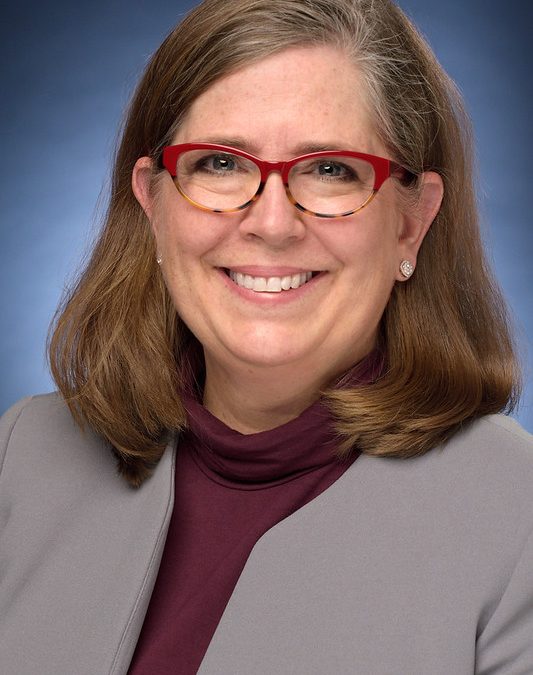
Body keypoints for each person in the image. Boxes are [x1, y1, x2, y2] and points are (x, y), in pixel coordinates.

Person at [1, 0, 532, 673]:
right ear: (153, 205)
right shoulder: (23, 458)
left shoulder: (515, 517)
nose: (272, 224)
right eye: (220, 164)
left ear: (409, 223)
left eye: (330, 169)